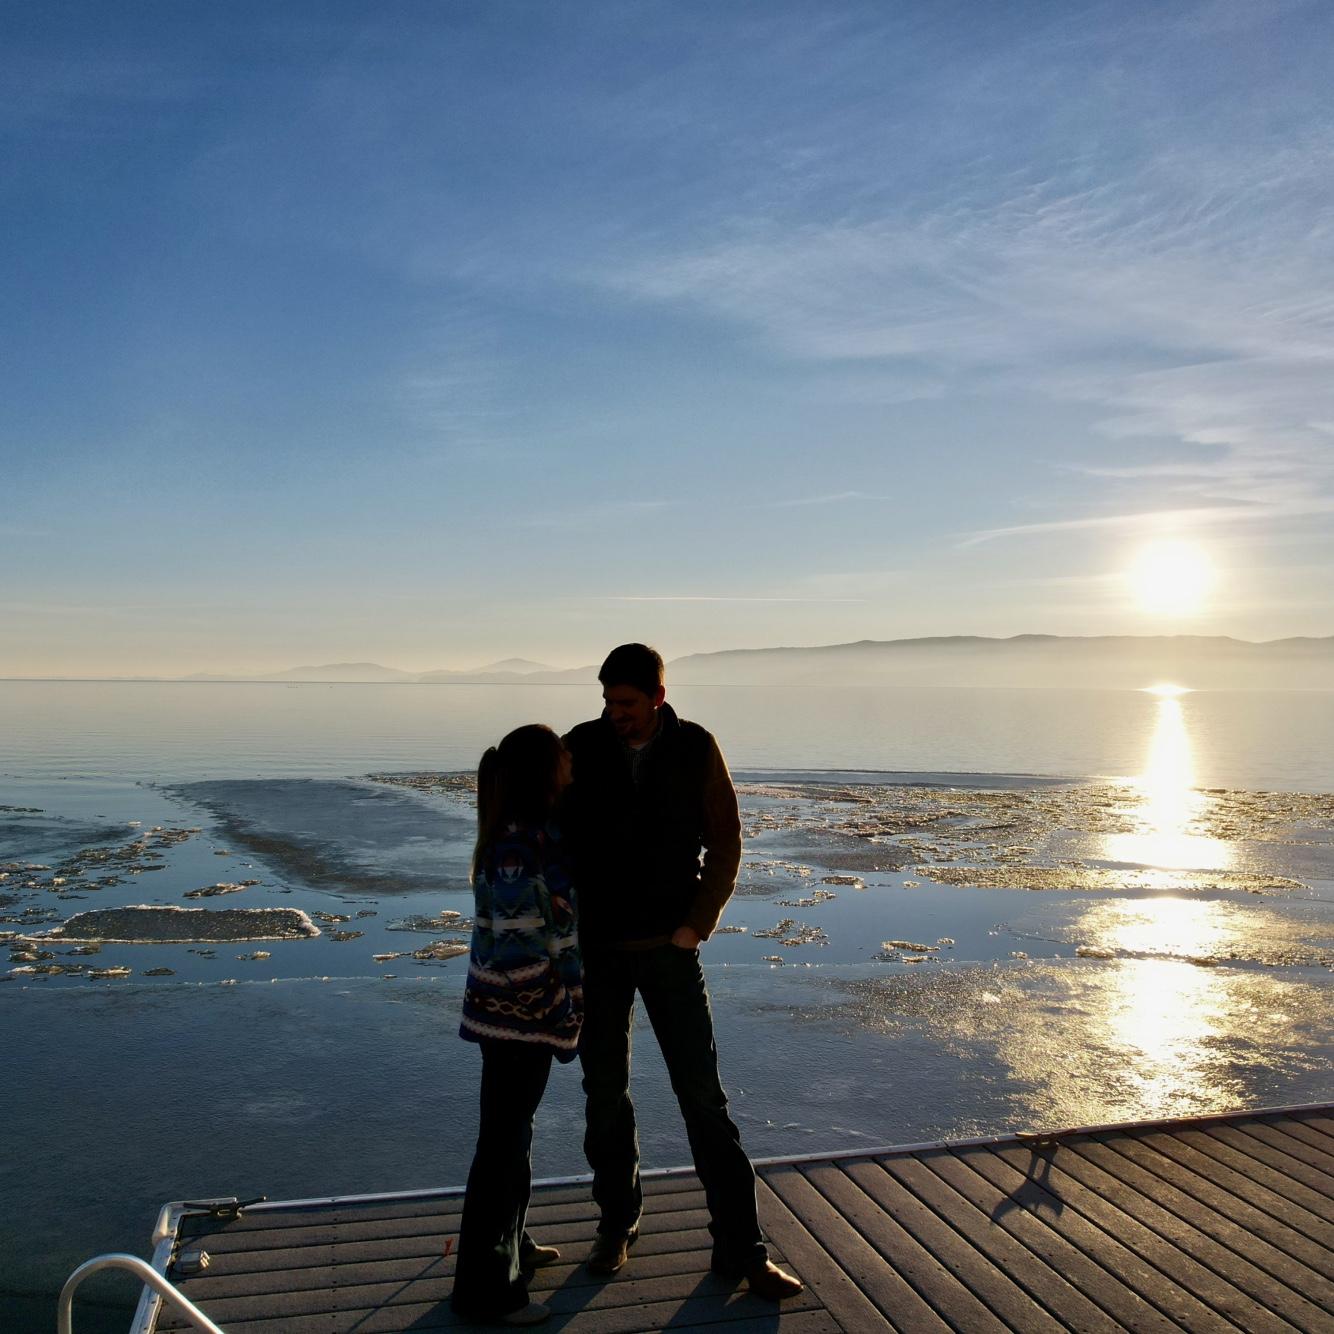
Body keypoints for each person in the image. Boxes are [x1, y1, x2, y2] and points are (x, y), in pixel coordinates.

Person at [562, 644, 803, 1300]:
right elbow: (545, 830)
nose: (615, 715)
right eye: (609, 702)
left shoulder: (696, 747)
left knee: (703, 1100)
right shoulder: (579, 746)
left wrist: (699, 922)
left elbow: (726, 839)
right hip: (601, 952)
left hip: (671, 948)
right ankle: (616, 1226)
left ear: (658, 698)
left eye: (628, 704)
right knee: (604, 1096)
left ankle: (743, 1249)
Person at [450, 724, 582, 1327]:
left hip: (513, 1021)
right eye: (563, 760)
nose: (571, 767)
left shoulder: (529, 839)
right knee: (499, 1150)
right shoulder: (516, 851)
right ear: (544, 773)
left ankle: (514, 1249)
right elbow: (519, 956)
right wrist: (561, 1010)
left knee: (512, 1140)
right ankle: (487, 1292)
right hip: (517, 1023)